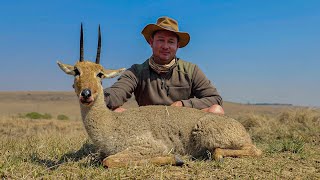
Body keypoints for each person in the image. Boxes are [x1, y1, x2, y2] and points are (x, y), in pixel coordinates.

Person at [104, 16, 224, 114]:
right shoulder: (136, 71)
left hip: (182, 126)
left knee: (216, 111)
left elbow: (215, 99)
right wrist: (97, 96)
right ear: (151, 42)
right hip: (148, 127)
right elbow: (117, 93)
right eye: (161, 40)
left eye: (171, 42)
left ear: (177, 46)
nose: (165, 46)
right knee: (117, 112)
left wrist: (183, 104)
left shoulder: (191, 70)